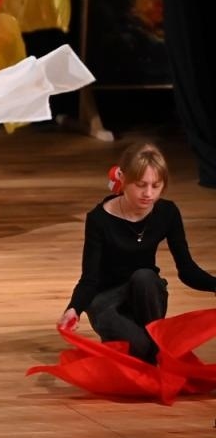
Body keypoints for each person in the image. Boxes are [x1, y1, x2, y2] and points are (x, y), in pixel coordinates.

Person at [59, 142, 216, 363]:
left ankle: (151, 340)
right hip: (107, 300)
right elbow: (90, 279)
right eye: (141, 185)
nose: (148, 194)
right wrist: (73, 308)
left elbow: (187, 269)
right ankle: (144, 345)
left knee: (145, 276)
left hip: (145, 296)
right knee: (144, 348)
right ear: (122, 178)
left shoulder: (167, 213)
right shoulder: (99, 219)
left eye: (156, 185)